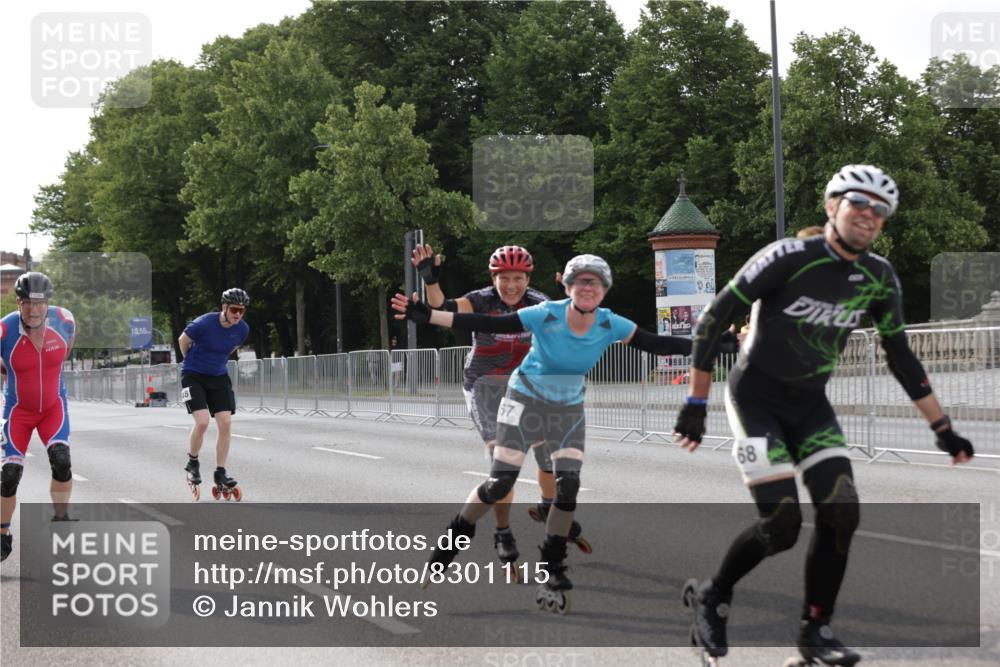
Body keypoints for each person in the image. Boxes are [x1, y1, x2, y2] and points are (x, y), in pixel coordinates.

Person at [673, 165, 975, 665]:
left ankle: (816, 631)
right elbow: (712, 319)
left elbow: (901, 358)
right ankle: (714, 593)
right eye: (861, 204)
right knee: (783, 523)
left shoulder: (879, 277)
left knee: (842, 514)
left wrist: (943, 428)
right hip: (755, 400)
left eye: (882, 211)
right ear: (833, 206)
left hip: (810, 407)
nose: (871, 216)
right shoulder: (789, 256)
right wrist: (696, 402)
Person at [394, 255, 727, 609]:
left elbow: (658, 344)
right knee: (500, 483)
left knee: (568, 487)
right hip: (524, 400)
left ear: (604, 290)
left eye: (594, 283)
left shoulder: (610, 323)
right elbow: (483, 319)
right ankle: (452, 540)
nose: (587, 289)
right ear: (566, 288)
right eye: (579, 282)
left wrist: (714, 347)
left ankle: (553, 567)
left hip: (567, 409)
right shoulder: (547, 313)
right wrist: (429, 316)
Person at [411, 243, 574, 569]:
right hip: (484, 388)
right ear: (493, 277)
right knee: (504, 470)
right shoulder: (481, 300)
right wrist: (430, 282)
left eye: (518, 278)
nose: (512, 286)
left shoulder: (538, 303)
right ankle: (487, 532)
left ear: (528, 279)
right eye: (504, 279)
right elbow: (442, 306)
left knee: (547, 459)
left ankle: (545, 507)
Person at [1, 272, 77, 562]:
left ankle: (60, 520)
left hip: (53, 408)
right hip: (17, 412)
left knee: (62, 462)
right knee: (9, 476)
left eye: (40, 303)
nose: (33, 310)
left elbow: (65, 350)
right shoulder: (4, 330)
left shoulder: (66, 322)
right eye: (26, 303)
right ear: (18, 303)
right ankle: (2, 533)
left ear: (48, 303)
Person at [178, 288, 250, 500]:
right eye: (234, 309)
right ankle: (192, 462)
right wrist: (191, 361)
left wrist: (214, 363)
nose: (238, 314)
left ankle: (220, 472)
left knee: (226, 423)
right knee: (202, 423)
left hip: (218, 377)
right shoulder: (204, 323)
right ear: (224, 308)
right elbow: (183, 340)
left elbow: (229, 349)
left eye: (242, 311)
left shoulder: (243, 329)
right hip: (192, 375)